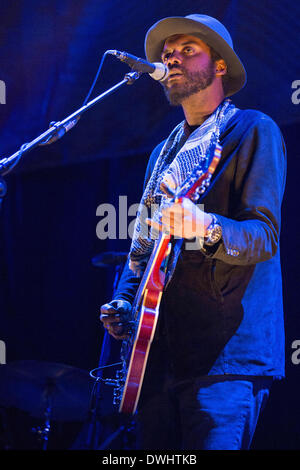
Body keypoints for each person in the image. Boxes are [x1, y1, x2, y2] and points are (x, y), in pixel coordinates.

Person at [100, 14, 286, 450]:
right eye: (168, 54)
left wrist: (206, 226)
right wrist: (124, 302)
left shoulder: (253, 129)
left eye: (188, 50)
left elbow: (264, 237)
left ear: (219, 65)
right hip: (159, 361)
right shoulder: (163, 156)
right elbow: (143, 250)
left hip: (225, 358)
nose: (172, 58)